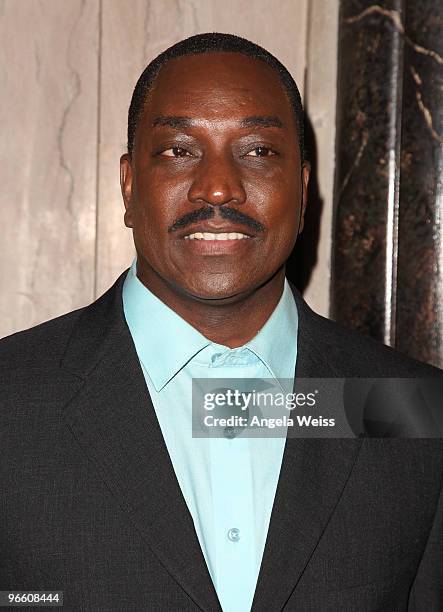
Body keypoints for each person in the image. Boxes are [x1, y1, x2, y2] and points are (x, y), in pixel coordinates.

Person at [1, 32, 442, 612]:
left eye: (257, 150)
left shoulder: (411, 410)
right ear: (129, 186)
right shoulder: (11, 400)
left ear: (304, 190)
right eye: (179, 150)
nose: (217, 187)